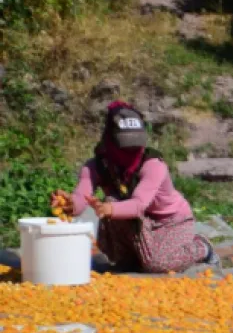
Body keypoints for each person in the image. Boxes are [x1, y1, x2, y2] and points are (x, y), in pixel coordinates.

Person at [52, 102, 218, 274]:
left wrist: (108, 208)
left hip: (170, 222)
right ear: (110, 141)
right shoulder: (97, 166)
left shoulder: (153, 165)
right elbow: (82, 195)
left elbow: (138, 205)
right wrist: (71, 204)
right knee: (126, 262)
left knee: (157, 265)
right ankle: (130, 258)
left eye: (135, 147)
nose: (131, 153)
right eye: (124, 147)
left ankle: (201, 247)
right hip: (138, 223)